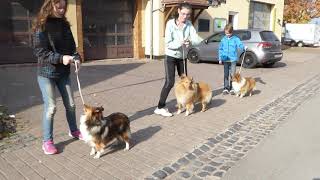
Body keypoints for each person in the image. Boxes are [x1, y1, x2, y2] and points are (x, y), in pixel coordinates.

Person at [32, 0, 83, 155]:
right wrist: (61, 58)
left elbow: (72, 47)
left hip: (63, 73)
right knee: (51, 107)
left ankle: (73, 130)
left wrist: (76, 58)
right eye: (58, 6)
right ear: (50, 5)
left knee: (71, 105)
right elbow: (40, 51)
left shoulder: (64, 25)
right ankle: (47, 141)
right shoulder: (42, 25)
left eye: (64, 7)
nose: (62, 10)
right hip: (46, 74)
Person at [154, 2, 202, 117]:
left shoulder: (189, 24)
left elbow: (196, 39)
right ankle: (160, 107)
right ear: (179, 11)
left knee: (186, 82)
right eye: (183, 14)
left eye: (188, 15)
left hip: (182, 57)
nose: (185, 17)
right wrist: (180, 43)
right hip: (171, 56)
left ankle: (185, 102)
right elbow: (168, 43)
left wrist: (191, 41)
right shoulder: (170, 24)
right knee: (169, 82)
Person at [218, 24, 244, 95]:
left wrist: (244, 47)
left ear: (232, 32)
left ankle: (232, 88)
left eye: (229, 33)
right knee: (226, 74)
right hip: (225, 59)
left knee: (232, 74)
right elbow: (220, 49)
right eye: (226, 33)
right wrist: (220, 58)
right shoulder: (223, 39)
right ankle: (226, 88)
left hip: (233, 60)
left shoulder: (235, 39)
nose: (228, 35)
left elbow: (240, 44)